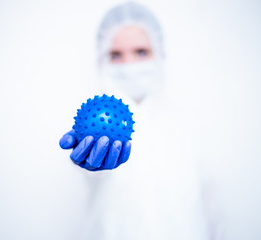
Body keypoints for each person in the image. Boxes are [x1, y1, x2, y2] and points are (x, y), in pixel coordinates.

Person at [60, 2, 210, 239]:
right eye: (115, 55)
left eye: (141, 52)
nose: (129, 64)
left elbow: (211, 205)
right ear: (102, 59)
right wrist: (91, 166)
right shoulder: (93, 121)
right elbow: (95, 177)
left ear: (158, 53)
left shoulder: (188, 124)